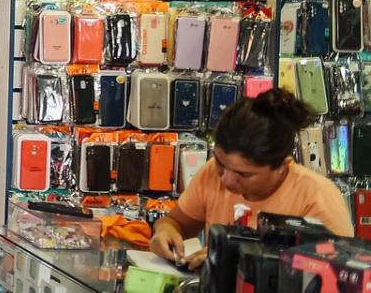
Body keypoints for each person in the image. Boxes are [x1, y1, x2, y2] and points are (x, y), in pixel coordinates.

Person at [151, 89, 353, 265]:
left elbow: (335, 281)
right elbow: (176, 223)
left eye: (243, 174)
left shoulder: (317, 198)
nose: (226, 179)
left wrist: (235, 263)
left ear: (282, 165)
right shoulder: (212, 172)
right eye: (221, 163)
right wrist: (165, 231)